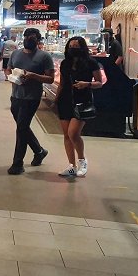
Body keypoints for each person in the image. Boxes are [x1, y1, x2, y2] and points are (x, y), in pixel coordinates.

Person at [5, 28, 54, 175]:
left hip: (31, 98)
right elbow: (8, 69)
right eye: (27, 37)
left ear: (38, 40)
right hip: (15, 96)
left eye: (32, 38)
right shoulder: (15, 53)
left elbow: (50, 78)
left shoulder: (44, 56)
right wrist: (12, 76)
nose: (29, 39)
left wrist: (33, 76)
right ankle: (39, 151)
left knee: (21, 128)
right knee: (23, 127)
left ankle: (17, 163)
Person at [53, 37, 104, 178]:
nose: (73, 48)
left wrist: (86, 84)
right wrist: (56, 99)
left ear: (82, 47)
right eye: (71, 46)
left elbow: (100, 82)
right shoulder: (65, 63)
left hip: (82, 101)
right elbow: (62, 84)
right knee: (66, 135)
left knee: (73, 133)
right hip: (65, 100)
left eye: (76, 45)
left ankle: (82, 161)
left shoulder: (91, 63)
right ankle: (72, 166)